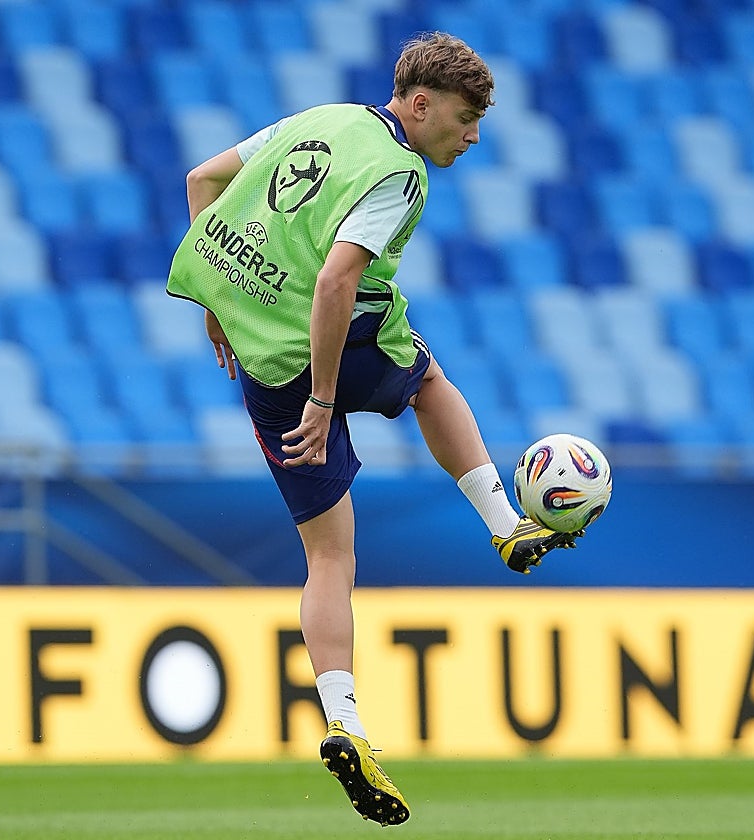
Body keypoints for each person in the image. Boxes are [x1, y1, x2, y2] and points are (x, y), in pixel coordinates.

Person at [166, 32, 581, 826]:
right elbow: (334, 281)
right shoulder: (401, 173)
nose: (473, 137)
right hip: (325, 344)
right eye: (463, 120)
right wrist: (325, 401)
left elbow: (203, 179)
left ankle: (345, 723)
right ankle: (506, 527)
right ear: (419, 106)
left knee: (329, 556)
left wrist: (221, 304)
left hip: (263, 362)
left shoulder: (319, 119)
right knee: (427, 380)